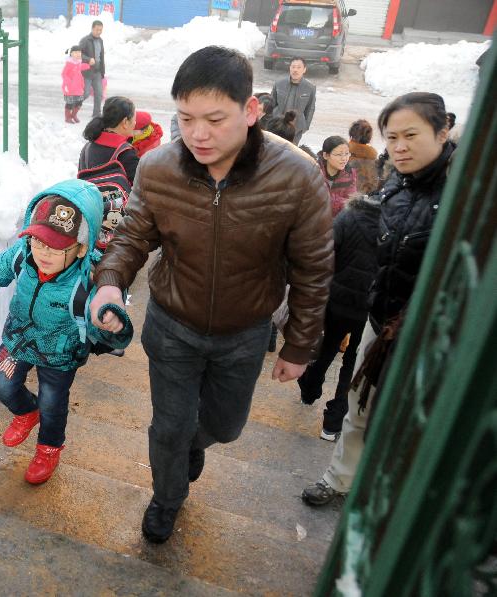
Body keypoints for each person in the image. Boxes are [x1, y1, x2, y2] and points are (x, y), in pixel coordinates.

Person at [89, 46, 333, 543]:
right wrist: (108, 284)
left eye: (215, 119)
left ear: (250, 111)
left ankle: (193, 445)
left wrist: (300, 344)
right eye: (185, 118)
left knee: (225, 427)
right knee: (169, 427)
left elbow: (313, 267)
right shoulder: (159, 168)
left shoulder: (297, 175)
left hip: (245, 334)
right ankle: (167, 497)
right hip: (172, 325)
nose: (197, 134)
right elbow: (133, 236)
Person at [302, 91, 455, 506]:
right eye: (392, 137)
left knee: (410, 423)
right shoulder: (395, 190)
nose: (400, 147)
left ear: (443, 132)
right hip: (380, 325)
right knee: (359, 406)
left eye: (411, 135)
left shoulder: (461, 198)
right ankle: (338, 480)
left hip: (431, 336)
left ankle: (395, 498)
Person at [0, 181, 133, 485]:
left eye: (55, 246)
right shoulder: (23, 256)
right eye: (38, 242)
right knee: (0, 382)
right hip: (19, 338)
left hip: (60, 354)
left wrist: (113, 325)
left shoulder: (88, 282)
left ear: (80, 248)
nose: (43, 253)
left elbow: (107, 330)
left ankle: (48, 449)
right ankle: (26, 411)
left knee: (52, 404)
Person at [298, 194, 380, 441]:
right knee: (353, 363)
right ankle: (332, 424)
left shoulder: (350, 215)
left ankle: (309, 388)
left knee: (326, 349)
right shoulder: (397, 225)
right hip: (371, 309)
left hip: (338, 301)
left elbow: (325, 253)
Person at [78, 96, 140, 186]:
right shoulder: (125, 153)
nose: (135, 123)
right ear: (125, 122)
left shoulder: (87, 147)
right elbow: (138, 189)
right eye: (134, 119)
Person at [271, 57, 316, 145]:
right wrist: (270, 121)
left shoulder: (310, 87)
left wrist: (305, 126)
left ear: (304, 70)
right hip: (277, 125)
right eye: (293, 67)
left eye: (299, 67)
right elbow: (271, 103)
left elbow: (310, 108)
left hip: (296, 128)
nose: (295, 70)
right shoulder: (279, 83)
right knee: (274, 149)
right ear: (290, 68)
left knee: (291, 152)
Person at [317, 135, 357, 216]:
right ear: (326, 155)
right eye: (339, 154)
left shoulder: (349, 174)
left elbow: (351, 203)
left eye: (347, 154)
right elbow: (314, 200)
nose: (344, 158)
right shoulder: (315, 171)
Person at [78, 20, 106, 118]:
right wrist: (88, 59)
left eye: (101, 30)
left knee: (99, 93)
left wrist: (102, 71)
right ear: (92, 29)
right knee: (85, 93)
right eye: (97, 30)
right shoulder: (85, 40)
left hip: (97, 72)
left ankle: (96, 114)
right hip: (87, 72)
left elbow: (101, 56)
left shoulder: (100, 40)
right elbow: (77, 53)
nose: (99, 32)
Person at [347, 119, 380, 195]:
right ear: (369, 138)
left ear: (351, 134)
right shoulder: (374, 160)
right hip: (368, 199)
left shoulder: (342, 156)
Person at [61, 45, 91, 124]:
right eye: (75, 52)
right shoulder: (69, 64)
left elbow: (81, 67)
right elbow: (64, 74)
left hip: (78, 87)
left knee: (79, 102)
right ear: (71, 54)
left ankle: (73, 115)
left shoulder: (78, 63)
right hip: (70, 88)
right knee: (70, 103)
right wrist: (68, 82)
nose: (78, 54)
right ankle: (67, 117)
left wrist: (88, 65)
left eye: (79, 52)